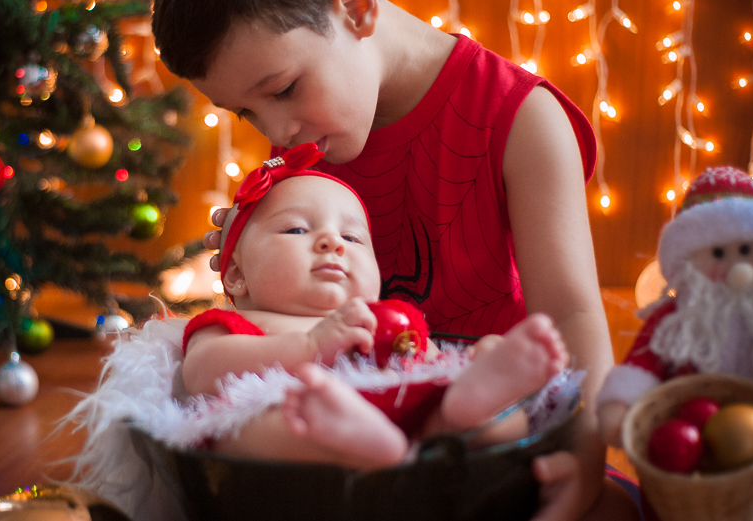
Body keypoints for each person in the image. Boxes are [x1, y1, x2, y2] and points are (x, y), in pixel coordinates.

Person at [152, 0, 638, 520]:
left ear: (356, 9)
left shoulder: (522, 119)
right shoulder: (310, 142)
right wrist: (258, 264)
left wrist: (587, 456)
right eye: (250, 115)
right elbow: (297, 328)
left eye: (283, 91)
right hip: (349, 444)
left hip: (484, 440)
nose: (278, 131)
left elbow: (575, 316)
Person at [179, 142, 573, 469]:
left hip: (410, 420)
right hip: (304, 422)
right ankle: (362, 444)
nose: (332, 243)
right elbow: (199, 374)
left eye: (351, 238)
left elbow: (429, 363)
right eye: (297, 229)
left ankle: (467, 406)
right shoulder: (238, 322)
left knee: (504, 423)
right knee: (239, 431)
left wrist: (462, 371)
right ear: (235, 275)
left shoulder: (389, 318)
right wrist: (310, 348)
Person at [597, 166, 753, 521]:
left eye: (747, 250)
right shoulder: (673, 320)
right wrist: (622, 405)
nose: (734, 268)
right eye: (717, 254)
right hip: (683, 480)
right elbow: (641, 366)